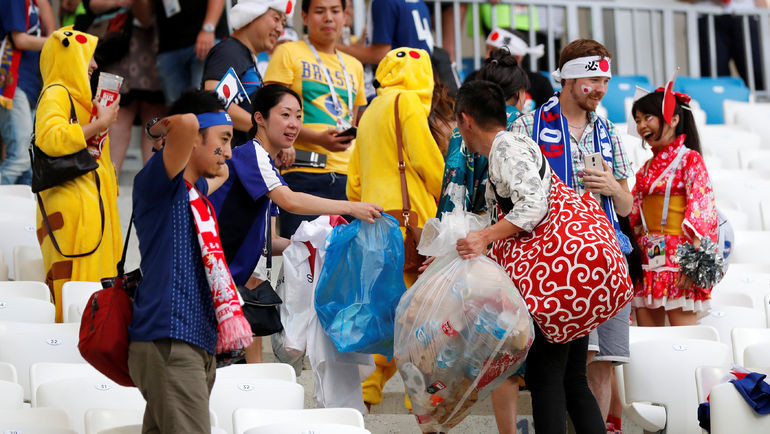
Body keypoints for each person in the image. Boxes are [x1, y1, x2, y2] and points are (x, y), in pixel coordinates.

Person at [455, 80, 606, 434]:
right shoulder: (513, 145)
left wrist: (483, 238)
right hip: (570, 271)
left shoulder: (505, 149)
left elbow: (533, 205)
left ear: (465, 120)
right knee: (571, 379)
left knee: (546, 376)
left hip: (556, 280)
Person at [510, 39, 634, 430]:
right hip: (554, 264)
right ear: (569, 77)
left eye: (605, 80)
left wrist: (614, 189)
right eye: (593, 78)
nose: (600, 87)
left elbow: (629, 206)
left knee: (588, 369)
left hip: (603, 262)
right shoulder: (528, 125)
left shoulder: (608, 131)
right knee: (556, 374)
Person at [208, 84, 382, 362]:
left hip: (228, 283)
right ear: (259, 118)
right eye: (285, 114)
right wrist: (351, 207)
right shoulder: (250, 154)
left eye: (299, 116)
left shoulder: (267, 166)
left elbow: (271, 241)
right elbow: (290, 201)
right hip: (211, 278)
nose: (294, 124)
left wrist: (321, 246)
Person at [129, 89, 252, 433]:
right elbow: (183, 122)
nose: (228, 152)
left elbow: (222, 172)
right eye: (224, 139)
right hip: (172, 340)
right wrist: (165, 130)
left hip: (194, 342)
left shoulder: (196, 196)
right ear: (194, 138)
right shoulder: (158, 182)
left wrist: (218, 129)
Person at [435, 48, 529, 434]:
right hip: (518, 244)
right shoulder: (525, 125)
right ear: (519, 95)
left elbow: (452, 189)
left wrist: (444, 245)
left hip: (470, 243)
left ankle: (453, 422)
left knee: (486, 343)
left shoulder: (463, 129)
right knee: (518, 344)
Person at [347, 47, 444, 411]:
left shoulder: (371, 109)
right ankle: (415, 394)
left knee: (386, 308)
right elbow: (425, 159)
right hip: (410, 220)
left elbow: (352, 183)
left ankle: (369, 386)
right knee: (418, 311)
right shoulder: (408, 103)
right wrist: (447, 194)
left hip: (373, 220)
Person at [34, 27, 122, 322]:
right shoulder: (55, 93)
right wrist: (100, 124)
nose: (95, 65)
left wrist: (99, 121)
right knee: (72, 294)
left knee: (89, 296)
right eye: (88, 57)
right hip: (71, 219)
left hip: (87, 217)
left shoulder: (77, 98)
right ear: (70, 57)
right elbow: (51, 138)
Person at [264, 0, 366, 239]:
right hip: (303, 171)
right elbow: (272, 114)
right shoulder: (288, 52)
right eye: (320, 11)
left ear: (345, 15)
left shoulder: (355, 66)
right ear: (306, 17)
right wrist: (318, 139)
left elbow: (351, 118)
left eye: (335, 11)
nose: (328, 18)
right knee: (305, 264)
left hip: (348, 179)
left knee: (346, 267)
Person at [629, 89, 718, 326]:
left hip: (679, 262)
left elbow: (703, 209)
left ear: (674, 119)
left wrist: (693, 265)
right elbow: (632, 217)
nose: (641, 126)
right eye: (637, 120)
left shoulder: (690, 159)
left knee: (683, 340)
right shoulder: (645, 168)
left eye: (648, 117)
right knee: (651, 342)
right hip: (648, 260)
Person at [83, 0, 166, 173]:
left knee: (153, 116)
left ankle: (149, 189)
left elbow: (146, 18)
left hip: (156, 46)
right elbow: (92, 5)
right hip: (117, 45)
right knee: (118, 112)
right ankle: (109, 185)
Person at [202, 0, 292, 148]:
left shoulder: (242, 54)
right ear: (253, 13)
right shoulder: (230, 51)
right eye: (276, 19)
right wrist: (266, 131)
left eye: (283, 23)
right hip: (226, 161)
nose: (280, 29)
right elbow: (215, 102)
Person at [0, 0, 51, 185]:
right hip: (13, 83)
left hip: (30, 83)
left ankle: (22, 213)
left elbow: (53, 31)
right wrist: (57, 41)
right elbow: (20, 39)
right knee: (20, 158)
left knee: (29, 163)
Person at [152, 0, 228, 104]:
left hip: (205, 37)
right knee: (176, 112)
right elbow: (145, 20)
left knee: (205, 106)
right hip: (169, 46)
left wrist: (208, 28)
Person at [681, 0, 766, 91]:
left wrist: (764, 16)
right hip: (707, 17)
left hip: (748, 16)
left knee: (760, 76)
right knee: (715, 80)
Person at [485, 27, 553, 110]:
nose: (486, 56)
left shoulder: (540, 83)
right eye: (487, 49)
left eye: (495, 51)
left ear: (517, 57)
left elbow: (549, 118)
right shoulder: (475, 79)